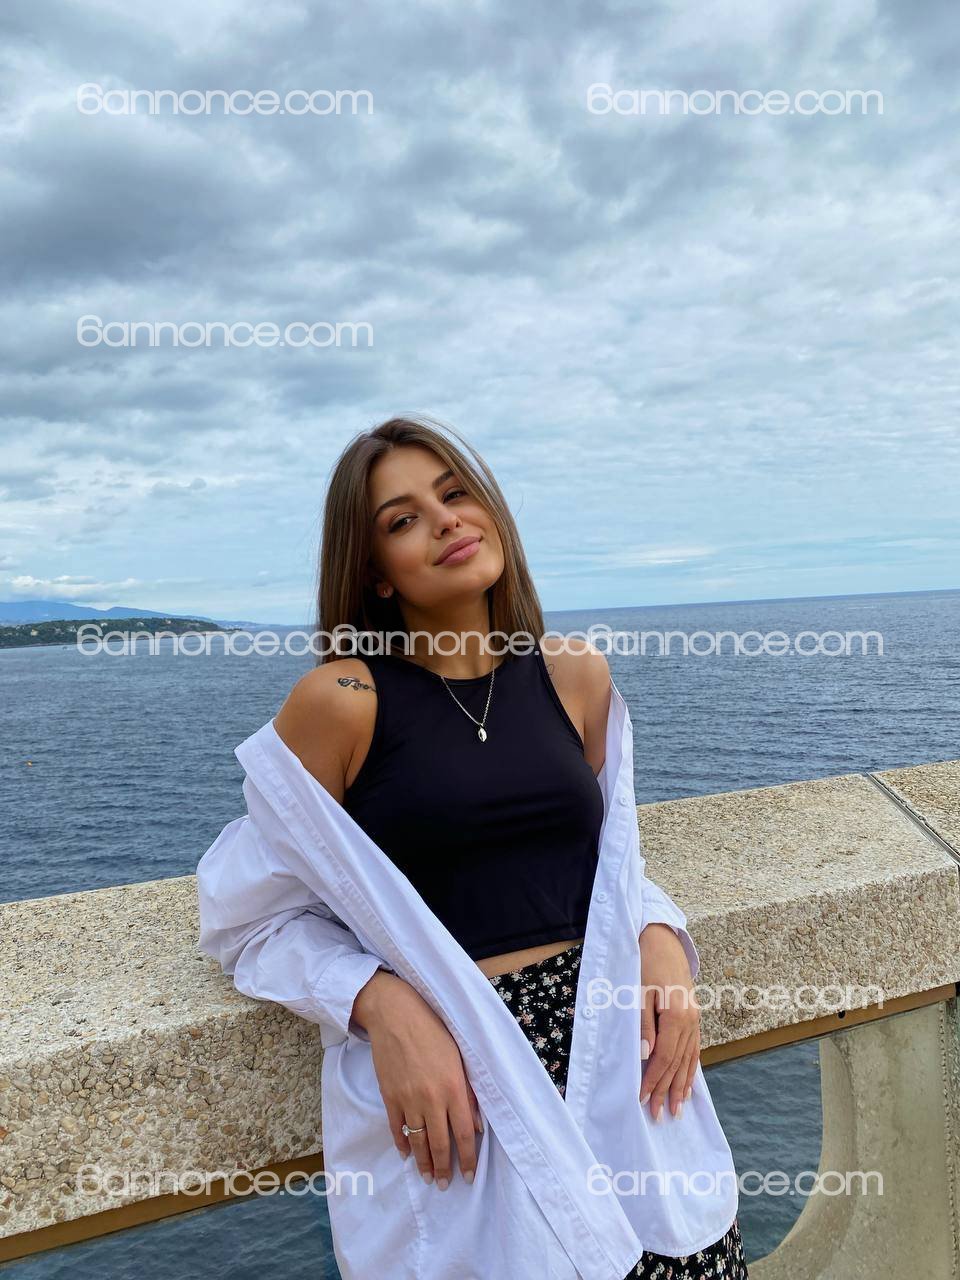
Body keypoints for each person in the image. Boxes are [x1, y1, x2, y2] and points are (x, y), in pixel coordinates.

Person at [197, 414, 748, 1279]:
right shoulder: (342, 702)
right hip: (466, 1091)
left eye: (455, 494)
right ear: (375, 572)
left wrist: (660, 937)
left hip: (628, 1075)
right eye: (403, 518)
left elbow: (610, 864)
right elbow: (247, 917)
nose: (445, 520)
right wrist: (379, 1003)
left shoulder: (574, 674)